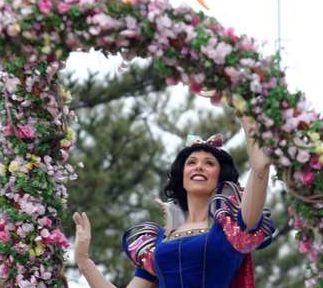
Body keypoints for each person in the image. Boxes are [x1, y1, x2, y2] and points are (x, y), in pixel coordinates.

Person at [73, 116, 275, 287]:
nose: (199, 167)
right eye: (191, 162)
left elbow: (259, 170)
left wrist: (248, 124)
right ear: (182, 175)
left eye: (209, 163)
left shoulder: (232, 226)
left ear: (220, 177)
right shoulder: (159, 241)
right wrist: (83, 260)